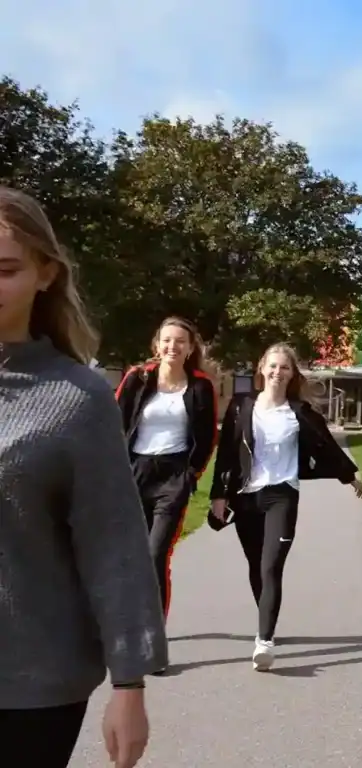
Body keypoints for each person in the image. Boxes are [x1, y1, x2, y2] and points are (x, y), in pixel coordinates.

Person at [0, 186, 164, 767]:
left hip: (31, 690)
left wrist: (129, 684)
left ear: (45, 274)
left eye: (6, 270)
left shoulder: (78, 398)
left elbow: (113, 546)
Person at [208, 343, 362, 671]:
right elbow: (226, 454)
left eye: (285, 367)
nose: (277, 372)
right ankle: (266, 620)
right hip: (246, 498)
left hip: (282, 496)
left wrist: (349, 476)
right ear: (261, 368)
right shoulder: (241, 405)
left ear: (293, 374)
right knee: (256, 566)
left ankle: (264, 641)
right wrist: (218, 496)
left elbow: (326, 446)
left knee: (271, 568)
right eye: (273, 366)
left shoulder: (300, 412)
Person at [115, 317, 219, 628]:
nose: (173, 346)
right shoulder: (138, 378)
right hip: (135, 472)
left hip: (173, 477)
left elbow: (207, 436)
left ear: (190, 348)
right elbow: (113, 424)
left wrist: (191, 474)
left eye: (180, 341)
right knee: (132, 555)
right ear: (157, 345)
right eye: (167, 340)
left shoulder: (200, 386)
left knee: (156, 553)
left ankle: (154, 631)